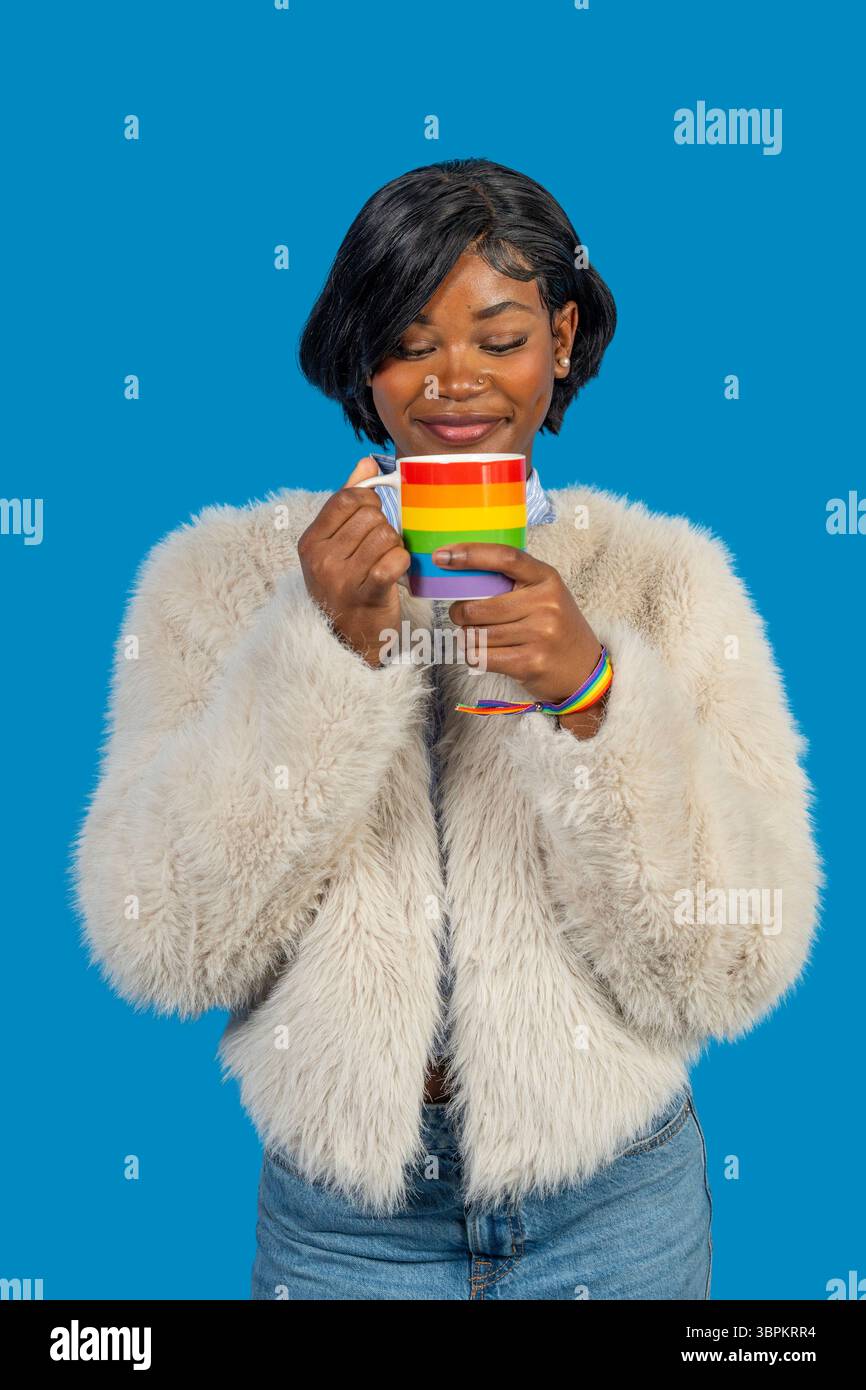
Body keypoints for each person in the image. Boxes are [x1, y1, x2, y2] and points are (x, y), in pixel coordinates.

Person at [72, 158, 822, 1300]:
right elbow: (161, 947)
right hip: (346, 1228)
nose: (453, 382)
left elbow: (732, 966)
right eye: (410, 343)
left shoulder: (668, 582)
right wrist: (324, 652)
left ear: (561, 339)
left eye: (499, 337)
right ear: (361, 359)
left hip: (614, 1207)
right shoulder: (216, 581)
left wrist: (592, 699)